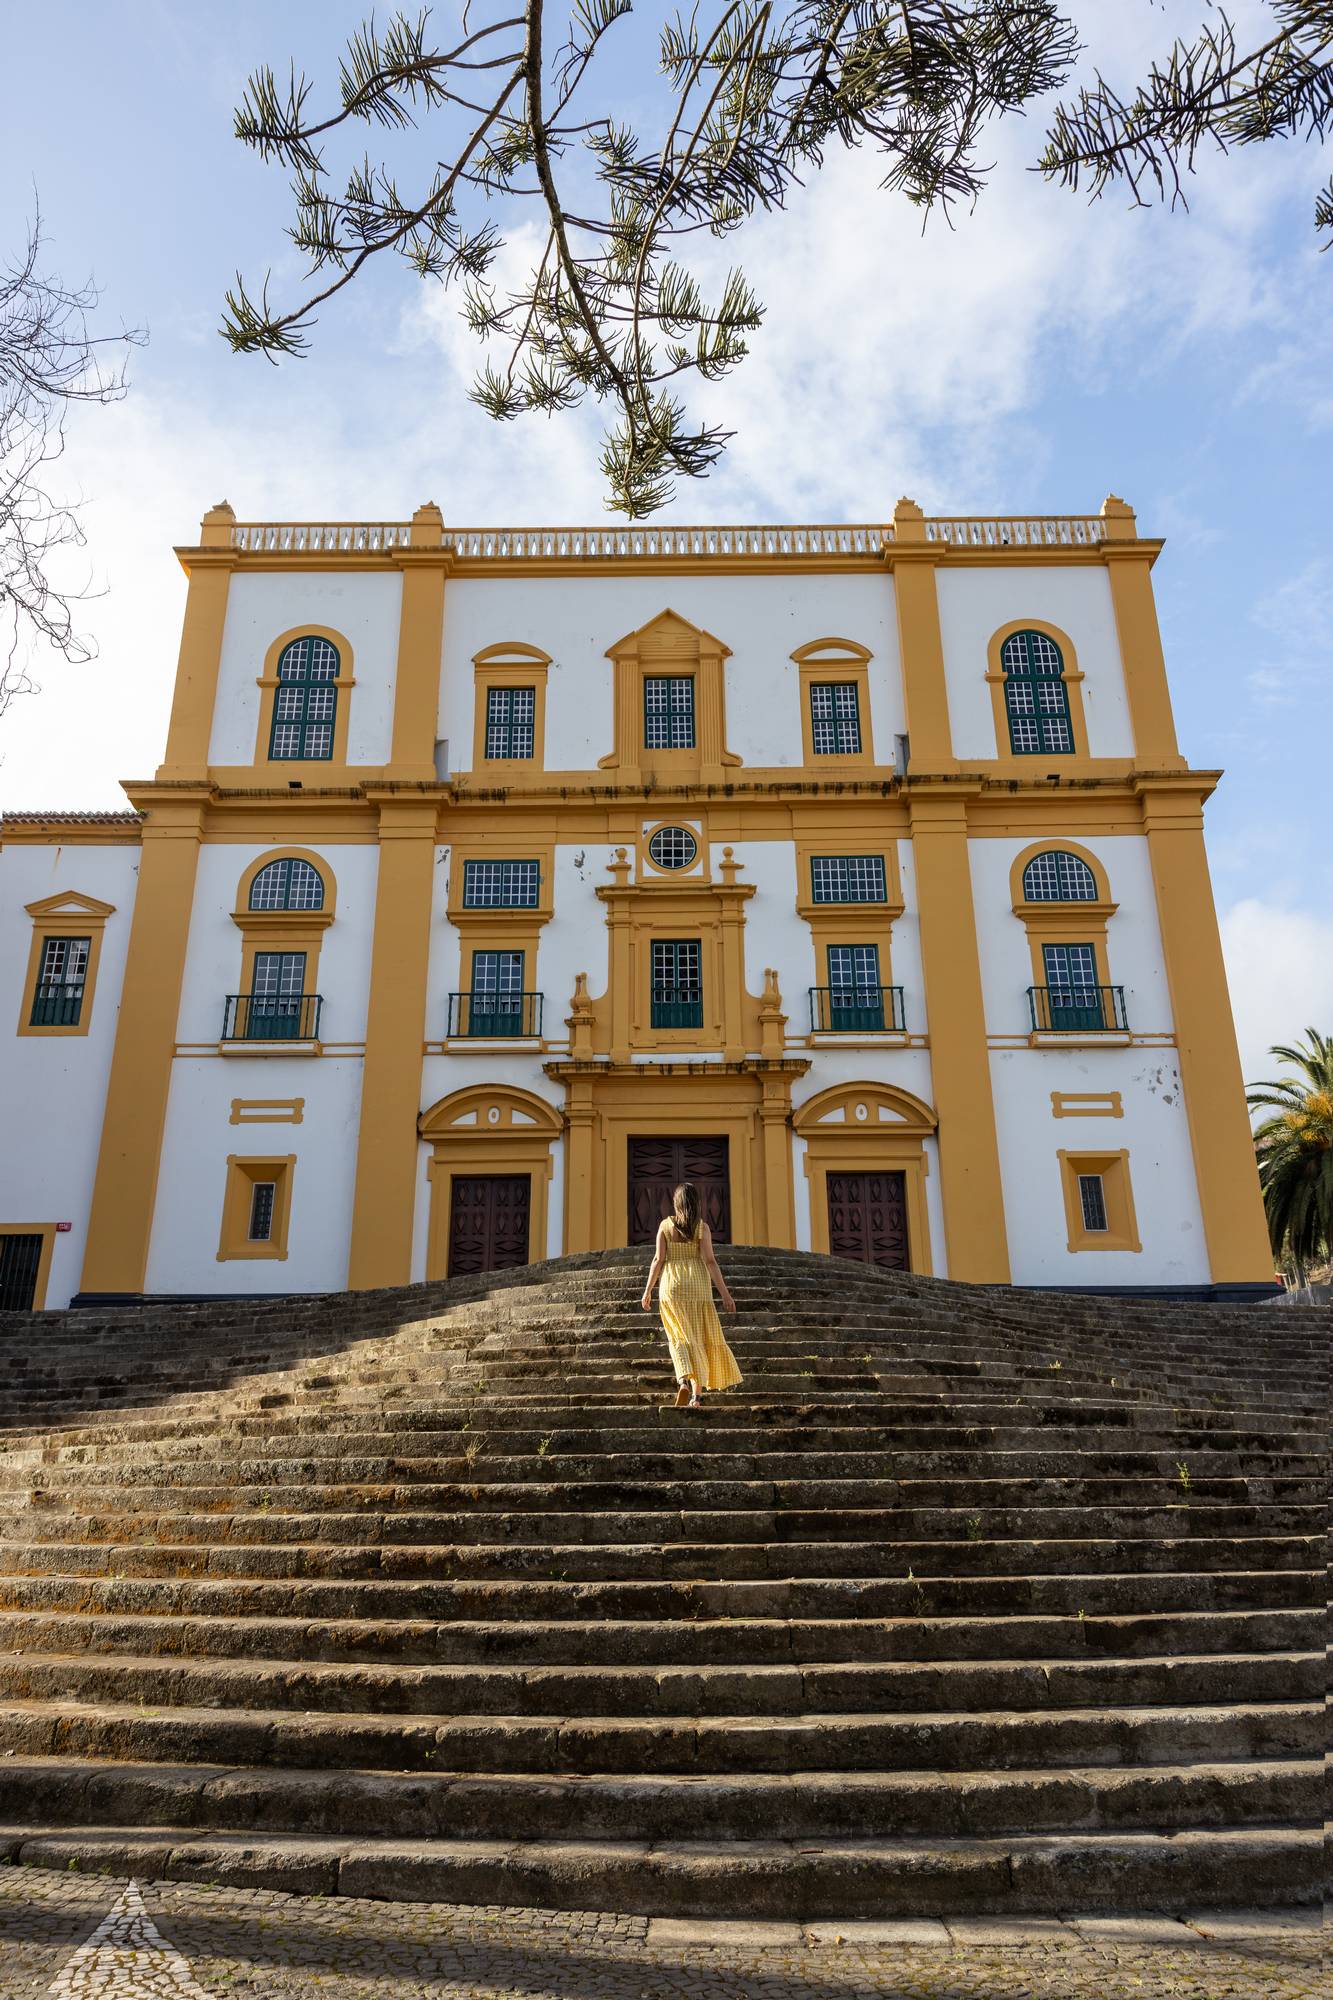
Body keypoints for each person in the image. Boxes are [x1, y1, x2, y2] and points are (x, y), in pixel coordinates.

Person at [640, 1182, 743, 1408]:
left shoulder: (665, 1226)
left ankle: (683, 1379)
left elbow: (658, 1260)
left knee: (678, 1336)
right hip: (698, 1286)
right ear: (696, 1203)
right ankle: (696, 1397)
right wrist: (725, 1294)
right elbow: (710, 1261)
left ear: (676, 1203)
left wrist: (648, 1290)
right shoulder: (702, 1228)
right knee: (700, 1337)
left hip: (672, 1287)